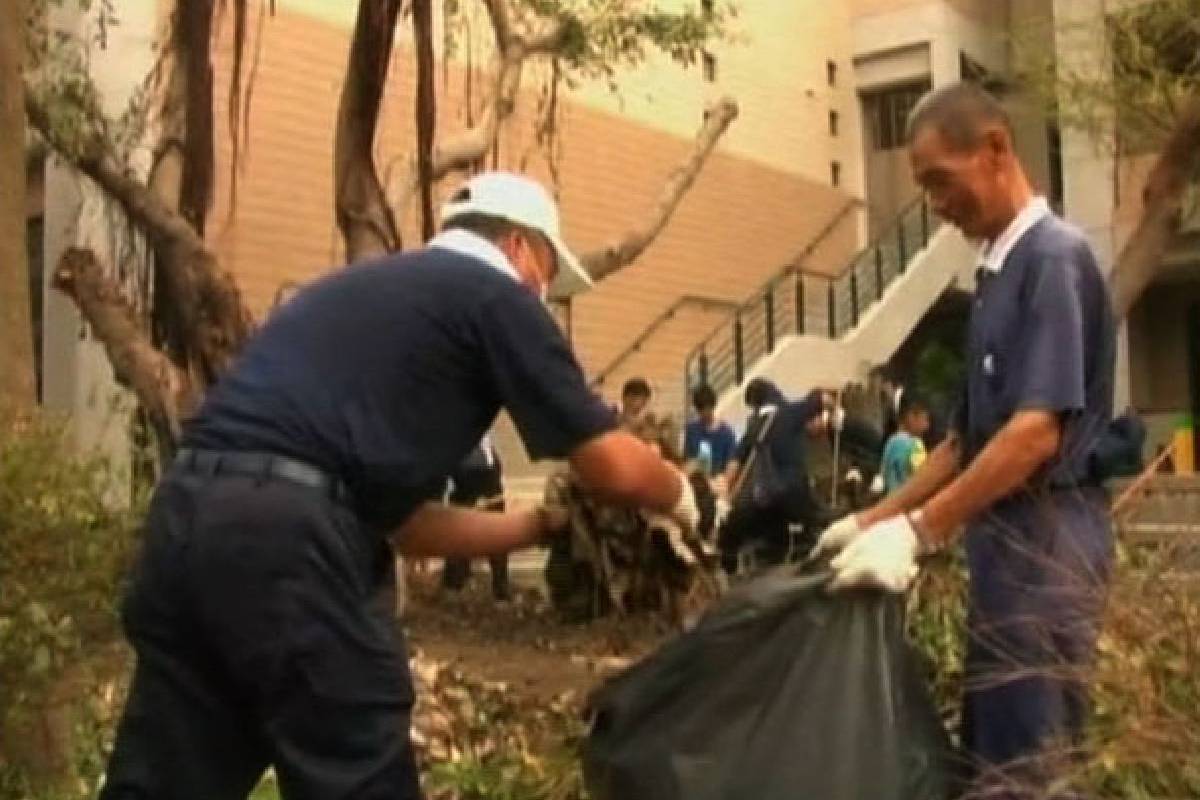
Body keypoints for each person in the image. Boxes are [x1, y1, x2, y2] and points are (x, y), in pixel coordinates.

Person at [99, 171, 700, 800]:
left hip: (187, 518)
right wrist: (682, 496)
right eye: (547, 272)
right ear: (519, 247)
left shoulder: (361, 296)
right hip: (290, 546)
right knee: (358, 773)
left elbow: (408, 528)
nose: (544, 293)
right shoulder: (494, 294)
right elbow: (611, 464)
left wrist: (539, 525)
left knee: (169, 776)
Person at [812, 83, 1115, 799]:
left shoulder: (1054, 260)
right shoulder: (996, 271)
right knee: (994, 749)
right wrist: (872, 520)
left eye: (940, 182)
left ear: (997, 150)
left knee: (1030, 763)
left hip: (1047, 543)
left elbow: (1034, 433)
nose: (936, 205)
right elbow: (965, 443)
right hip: (1003, 540)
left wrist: (918, 532)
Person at [719, 378, 829, 573]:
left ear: (754, 405)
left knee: (738, 534)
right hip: (798, 499)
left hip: (765, 502)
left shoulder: (754, 426)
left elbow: (734, 465)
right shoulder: (792, 411)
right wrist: (832, 415)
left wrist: (724, 496)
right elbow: (824, 398)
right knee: (816, 526)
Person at [440, 434, 510, 601]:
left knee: (459, 531)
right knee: (493, 534)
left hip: (471, 471)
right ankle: (500, 591)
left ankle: (455, 584)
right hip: (482, 472)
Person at [879, 393, 931, 494]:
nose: (927, 426)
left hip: (890, 500)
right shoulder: (915, 445)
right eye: (925, 419)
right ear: (911, 416)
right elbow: (921, 478)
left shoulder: (890, 443)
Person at [683, 384, 737, 478]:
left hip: (718, 481)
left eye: (708, 409)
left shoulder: (726, 433)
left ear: (713, 406)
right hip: (697, 481)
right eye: (701, 410)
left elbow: (731, 463)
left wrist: (722, 481)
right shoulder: (691, 429)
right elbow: (688, 459)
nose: (705, 413)